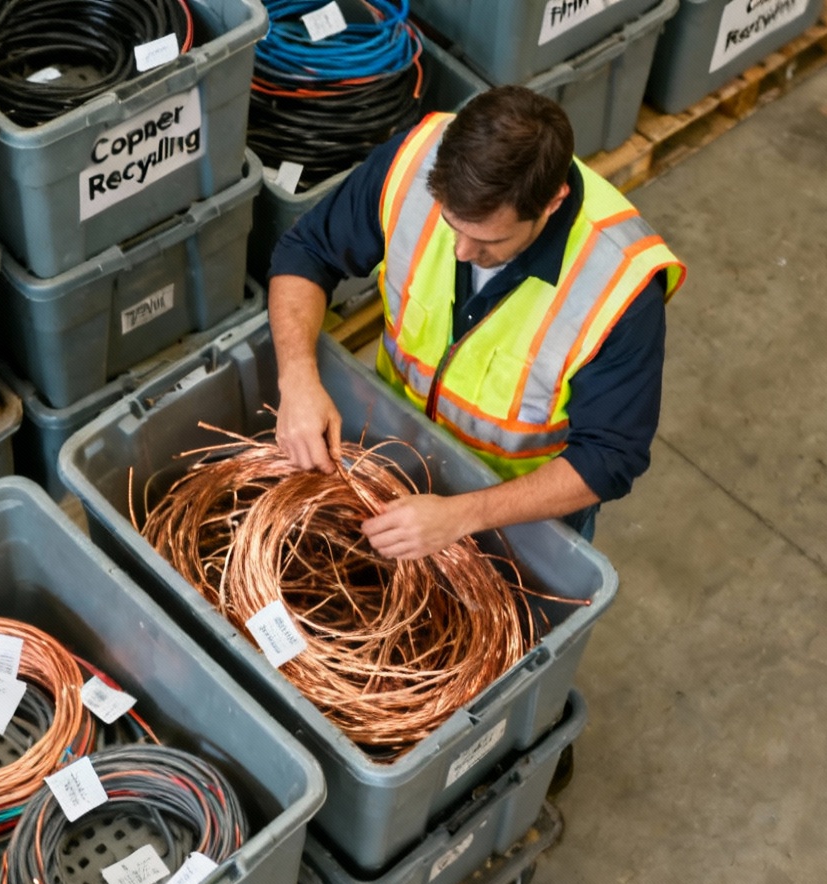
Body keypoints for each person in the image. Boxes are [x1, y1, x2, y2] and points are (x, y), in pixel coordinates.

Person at [267, 86, 685, 560]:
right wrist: (297, 377)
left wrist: (461, 515)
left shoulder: (619, 287)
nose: (463, 252)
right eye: (452, 224)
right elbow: (307, 253)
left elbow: (609, 457)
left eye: (489, 239)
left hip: (515, 516)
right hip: (396, 452)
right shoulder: (415, 164)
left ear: (551, 202)